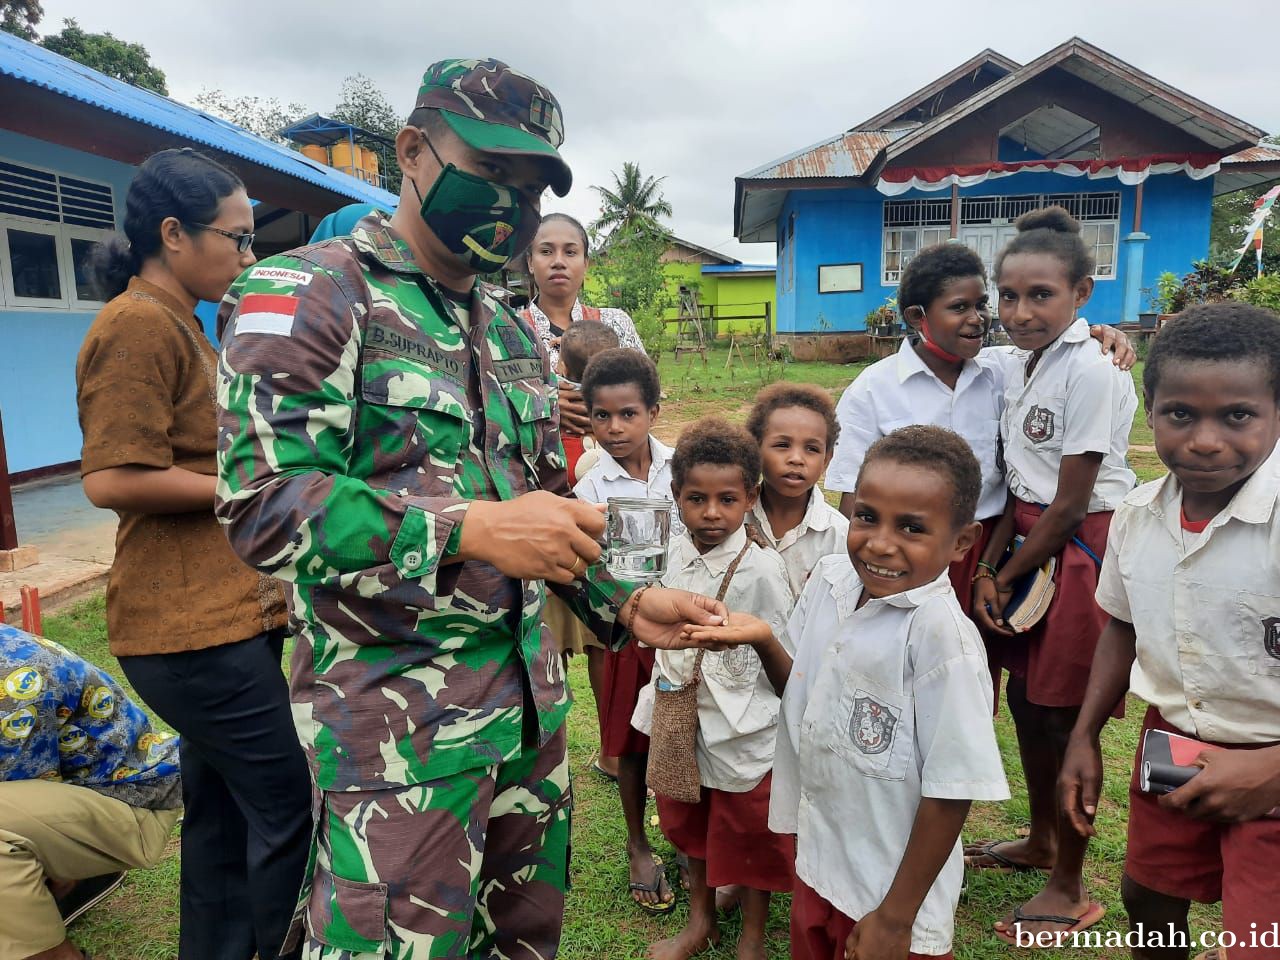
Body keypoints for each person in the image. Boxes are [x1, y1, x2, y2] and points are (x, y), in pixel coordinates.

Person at [213, 58, 727, 959]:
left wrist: (628, 605)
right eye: (491, 172)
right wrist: (467, 529)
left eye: (530, 186)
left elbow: (549, 503)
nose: (513, 204)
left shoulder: (511, 326)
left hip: (529, 717)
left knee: (522, 945)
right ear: (412, 152)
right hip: (396, 742)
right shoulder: (312, 293)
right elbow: (263, 506)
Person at [74, 148, 308, 960]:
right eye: (237, 239)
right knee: (289, 806)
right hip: (188, 631)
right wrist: (241, 490)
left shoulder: (183, 323)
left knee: (224, 818)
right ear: (173, 234)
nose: (247, 257)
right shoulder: (136, 325)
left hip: (218, 619)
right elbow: (110, 476)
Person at [690, 425, 1010, 960]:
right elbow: (801, 697)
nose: (880, 543)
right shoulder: (832, 580)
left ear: (961, 543)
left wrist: (896, 916)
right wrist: (765, 640)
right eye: (867, 517)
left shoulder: (941, 640)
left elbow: (952, 787)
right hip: (820, 861)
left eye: (912, 528)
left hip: (889, 894)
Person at [1060, 304, 1280, 960]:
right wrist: (1084, 735)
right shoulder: (1135, 518)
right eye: (1180, 414)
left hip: (1272, 754)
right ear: (1148, 410)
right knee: (1150, 892)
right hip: (1172, 744)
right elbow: (1121, 629)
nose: (1205, 440)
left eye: (1237, 416)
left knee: (1256, 939)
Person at [968, 207, 1138, 944]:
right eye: (1007, 296)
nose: (1019, 311)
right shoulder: (1018, 365)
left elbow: (1069, 504)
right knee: (1031, 710)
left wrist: (1006, 577)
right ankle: (1040, 840)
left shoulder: (1093, 369)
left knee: (1068, 716)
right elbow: (1018, 485)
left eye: (1041, 295)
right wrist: (987, 563)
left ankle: (1069, 884)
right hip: (1028, 538)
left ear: (1082, 295)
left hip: (1080, 549)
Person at [826, 242, 1134, 615]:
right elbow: (850, 500)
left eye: (982, 304)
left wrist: (1100, 334)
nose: (978, 318)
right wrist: (851, 575)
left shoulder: (1005, 370)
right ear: (916, 315)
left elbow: (1060, 351)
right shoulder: (873, 389)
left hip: (989, 548)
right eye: (959, 307)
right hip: (908, 549)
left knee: (977, 657)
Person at [642, 418, 795, 960]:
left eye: (727, 499)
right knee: (691, 827)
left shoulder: (763, 570)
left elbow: (783, 656)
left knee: (750, 834)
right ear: (675, 497)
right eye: (696, 498)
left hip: (743, 729)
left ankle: (752, 936)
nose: (711, 513)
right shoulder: (668, 555)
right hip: (681, 718)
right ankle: (700, 920)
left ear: (751, 497)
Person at [572, 347, 681, 914]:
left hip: (683, 632)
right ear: (588, 418)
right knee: (630, 743)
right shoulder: (588, 489)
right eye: (601, 416)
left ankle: (689, 838)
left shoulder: (681, 466)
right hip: (626, 633)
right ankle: (639, 845)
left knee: (687, 734)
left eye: (629, 414)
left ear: (653, 413)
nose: (615, 428)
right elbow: (586, 565)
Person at [0, 623, 182, 960]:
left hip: (131, 803)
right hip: (69, 797)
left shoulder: (11, 683)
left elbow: (22, 793)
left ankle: (53, 948)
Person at [522, 213, 646, 478]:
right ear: (531, 263)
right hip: (538, 480)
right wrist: (548, 405)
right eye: (546, 251)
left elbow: (647, 394)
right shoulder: (507, 329)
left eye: (570, 252)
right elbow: (487, 406)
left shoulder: (616, 322)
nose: (558, 262)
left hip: (617, 471)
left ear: (585, 263)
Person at [744, 383, 849, 598]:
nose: (796, 459)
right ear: (755, 450)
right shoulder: (733, 520)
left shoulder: (839, 536)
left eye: (812, 449)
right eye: (782, 445)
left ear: (826, 460)